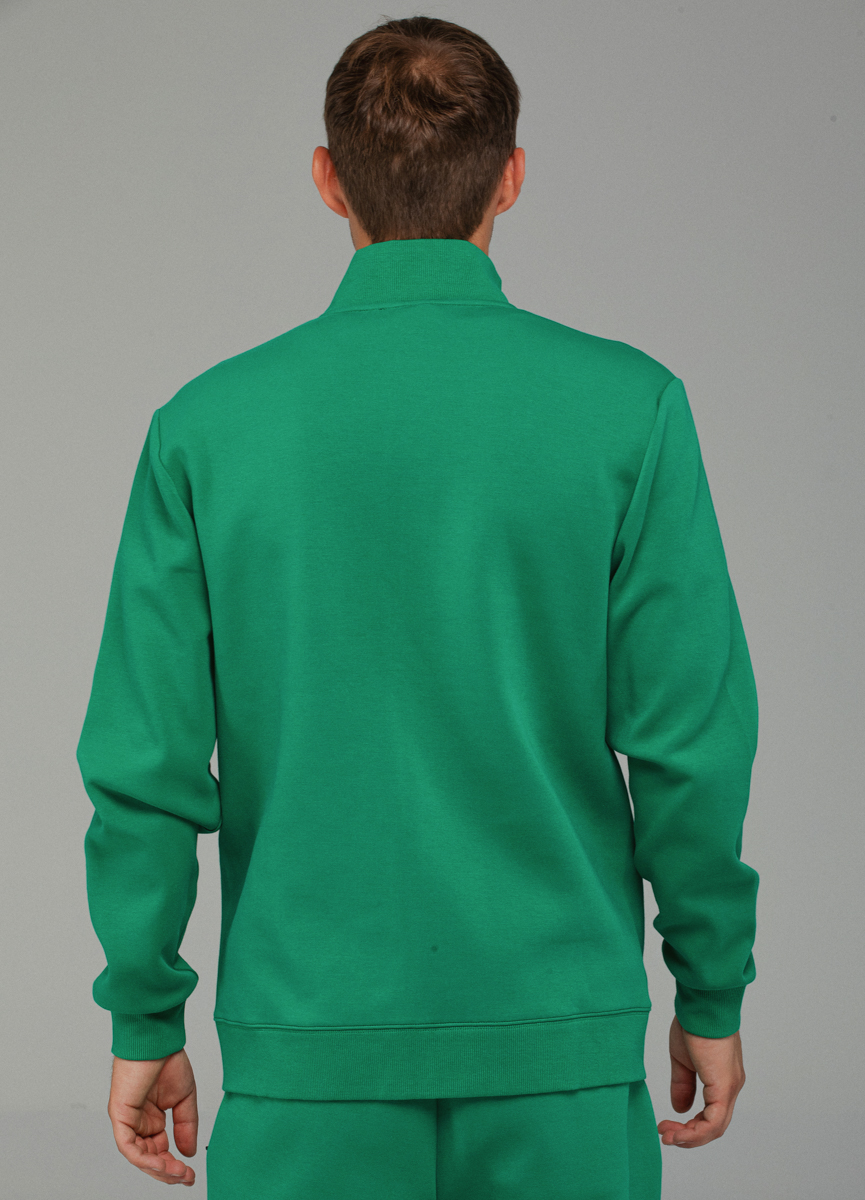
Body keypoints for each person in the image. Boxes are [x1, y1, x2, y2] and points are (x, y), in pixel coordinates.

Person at [76, 15, 759, 1198]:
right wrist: (710, 988)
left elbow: (144, 766)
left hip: (308, 1060)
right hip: (557, 1051)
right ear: (512, 177)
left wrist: (145, 1013)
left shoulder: (205, 429)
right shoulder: (629, 410)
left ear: (326, 179)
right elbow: (690, 745)